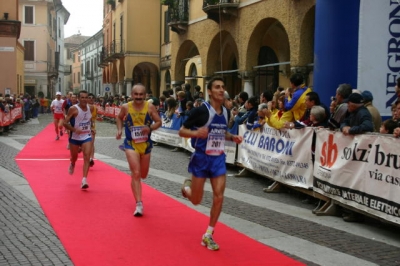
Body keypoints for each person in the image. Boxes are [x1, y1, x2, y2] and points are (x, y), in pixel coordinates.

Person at [178, 76, 243, 251]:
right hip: (200, 158)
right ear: (209, 91)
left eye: (223, 87)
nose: (221, 90)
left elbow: (223, 132)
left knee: (219, 196)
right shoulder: (201, 111)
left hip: (218, 159)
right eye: (217, 87)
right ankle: (187, 189)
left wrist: (232, 137)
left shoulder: (227, 112)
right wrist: (197, 133)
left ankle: (208, 234)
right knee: (196, 201)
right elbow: (181, 131)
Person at [116, 83, 162, 217]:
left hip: (146, 145)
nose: (138, 97)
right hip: (131, 144)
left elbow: (159, 121)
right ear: (132, 95)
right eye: (136, 94)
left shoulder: (150, 107)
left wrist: (150, 128)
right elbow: (119, 118)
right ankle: (139, 204)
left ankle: (138, 199)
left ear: (145, 95)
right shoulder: (126, 107)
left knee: (143, 174)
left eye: (141, 94)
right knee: (135, 173)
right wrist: (119, 130)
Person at [63, 90, 94, 189]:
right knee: (74, 157)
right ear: (79, 98)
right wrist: (74, 129)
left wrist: (92, 127)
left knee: (86, 156)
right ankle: (72, 163)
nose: (84, 99)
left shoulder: (91, 108)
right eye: (82, 97)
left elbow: (90, 119)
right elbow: (64, 122)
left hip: (86, 136)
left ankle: (84, 180)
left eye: (86, 97)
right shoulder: (73, 109)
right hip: (75, 137)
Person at [88, 93, 97, 167]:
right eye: (89, 97)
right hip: (83, 129)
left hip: (92, 128)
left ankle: (91, 158)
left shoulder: (95, 108)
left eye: (92, 98)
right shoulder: (83, 107)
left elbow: (94, 118)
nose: (91, 99)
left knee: (91, 143)